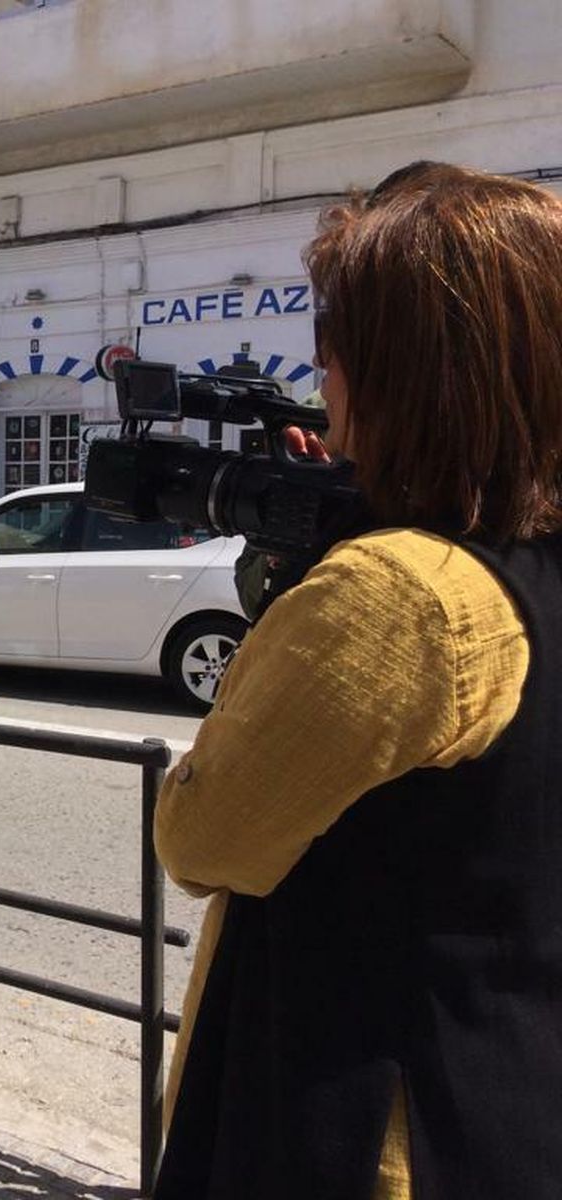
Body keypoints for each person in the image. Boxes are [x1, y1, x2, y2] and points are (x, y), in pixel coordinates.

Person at [153, 164, 562, 1199]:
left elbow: (201, 840)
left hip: (361, 1111)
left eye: (334, 355)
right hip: (510, 1077)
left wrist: (301, 586)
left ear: (407, 371)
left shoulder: (396, 592)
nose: (321, 382)